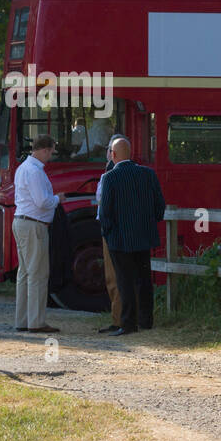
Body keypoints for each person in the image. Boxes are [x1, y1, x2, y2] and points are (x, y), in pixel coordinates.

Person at [97, 137, 165, 335]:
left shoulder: (110, 178)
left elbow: (105, 212)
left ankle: (128, 323)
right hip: (144, 236)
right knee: (144, 279)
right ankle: (146, 319)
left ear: (113, 154)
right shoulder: (148, 174)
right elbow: (159, 205)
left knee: (124, 280)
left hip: (119, 239)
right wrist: (149, 224)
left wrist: (108, 233)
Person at [12, 135, 62, 334]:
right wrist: (58, 199)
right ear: (44, 150)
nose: (50, 156)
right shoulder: (35, 172)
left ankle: (23, 319)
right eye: (50, 152)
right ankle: (36, 321)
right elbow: (42, 202)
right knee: (38, 273)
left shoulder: (23, 168)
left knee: (24, 273)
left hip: (21, 221)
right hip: (34, 224)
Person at [93, 137, 125, 332]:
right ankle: (121, 316)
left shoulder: (110, 175)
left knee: (114, 275)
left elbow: (102, 199)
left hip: (111, 229)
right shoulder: (111, 172)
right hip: (119, 228)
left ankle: (118, 319)